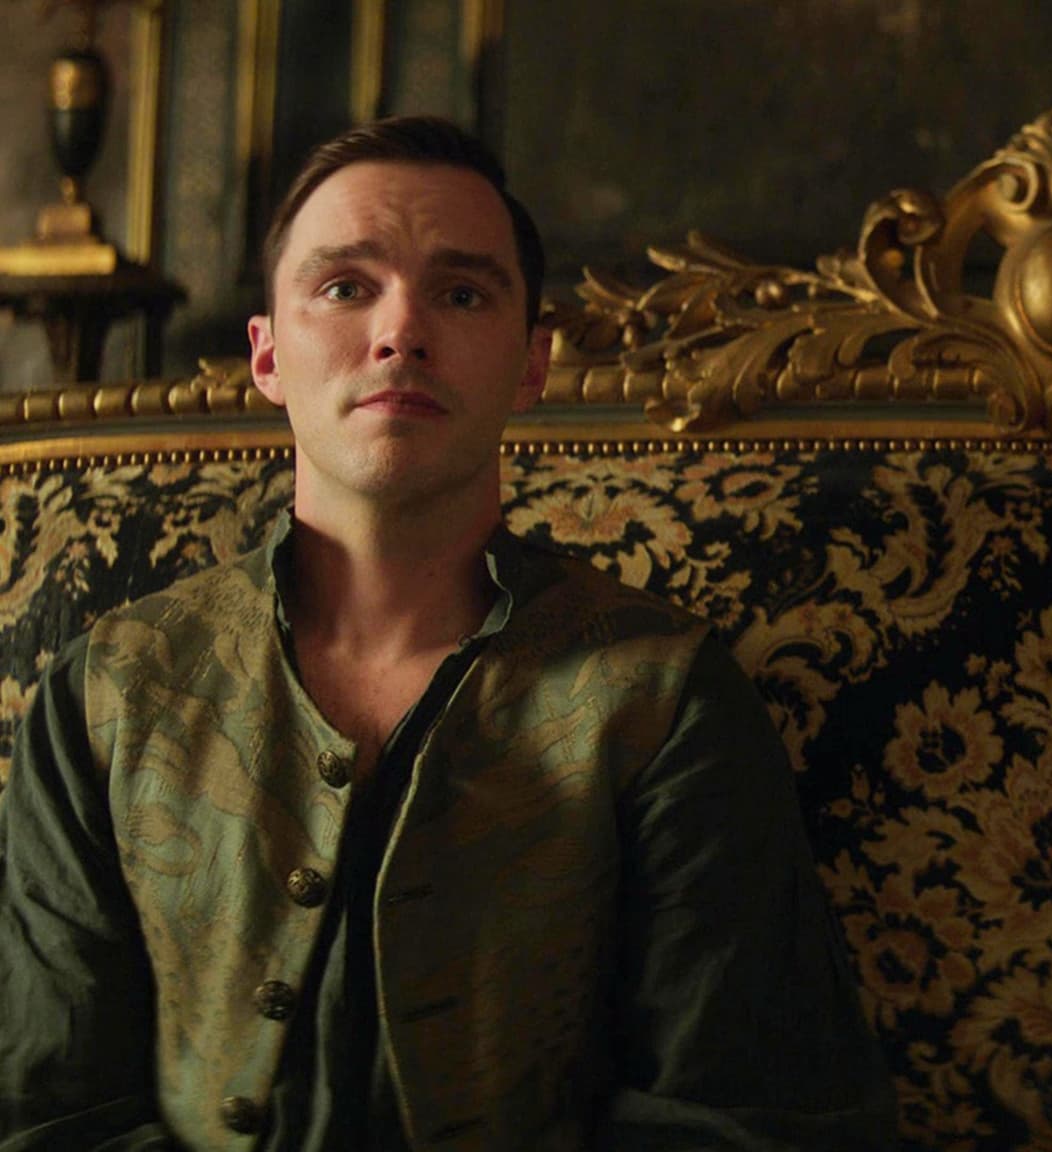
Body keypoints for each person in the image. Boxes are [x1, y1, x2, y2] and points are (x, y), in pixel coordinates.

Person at [0, 116, 898, 1151]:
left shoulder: (662, 697)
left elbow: (740, 1119)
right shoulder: (110, 692)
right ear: (267, 355)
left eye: (462, 294)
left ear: (531, 363)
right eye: (346, 287)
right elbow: (49, 1113)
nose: (401, 332)